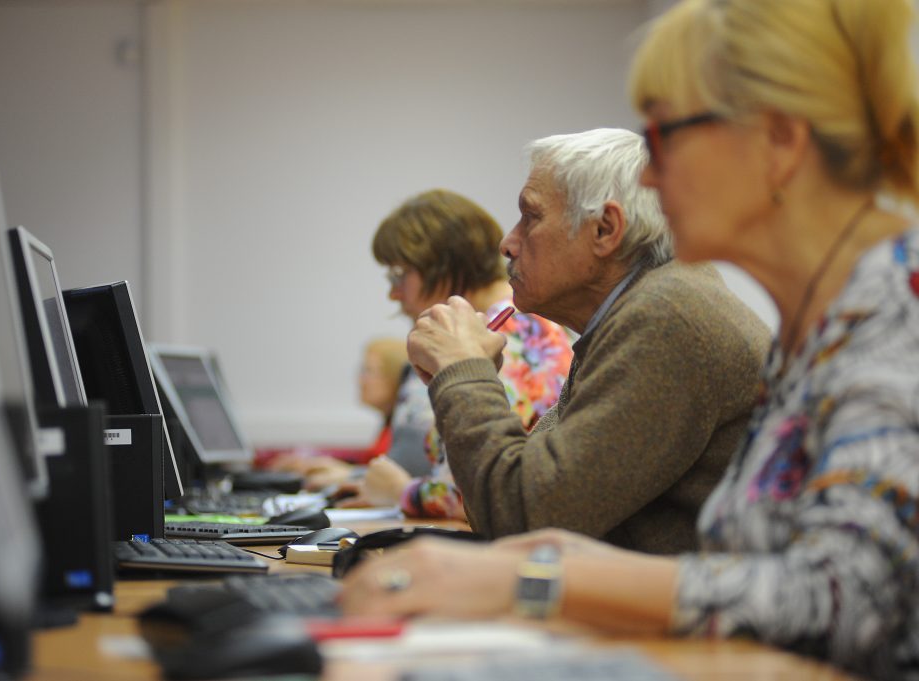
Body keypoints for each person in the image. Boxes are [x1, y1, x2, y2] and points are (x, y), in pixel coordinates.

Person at [341, 1, 919, 678]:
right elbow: (753, 569)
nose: (648, 173)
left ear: (781, 141)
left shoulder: (892, 315)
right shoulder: (818, 327)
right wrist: (553, 558)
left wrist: (540, 576)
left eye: (666, 133)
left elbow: (842, 600)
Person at [399, 129, 770, 551]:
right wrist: (465, 374)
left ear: (605, 229)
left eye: (531, 217)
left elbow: (521, 518)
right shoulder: (636, 311)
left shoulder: (667, 316)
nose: (508, 243)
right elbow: (513, 496)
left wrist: (464, 372)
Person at [337, 188, 574, 515]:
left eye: (399, 275)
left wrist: (400, 492)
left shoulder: (518, 333)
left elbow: (485, 491)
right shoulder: (493, 325)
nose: (393, 293)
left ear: (440, 264)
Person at [263, 337, 409, 481]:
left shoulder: (402, 433)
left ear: (396, 377)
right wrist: (316, 461)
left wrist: (343, 472)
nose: (360, 380)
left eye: (368, 371)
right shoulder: (390, 426)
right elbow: (365, 463)